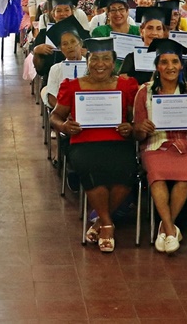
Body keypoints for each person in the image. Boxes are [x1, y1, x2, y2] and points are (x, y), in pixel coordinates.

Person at [49, 37, 139, 253]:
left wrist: (130, 127)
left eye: (106, 59)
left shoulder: (127, 85)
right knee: (90, 167)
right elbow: (55, 116)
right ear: (87, 61)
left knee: (127, 170)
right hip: (84, 142)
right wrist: (65, 127)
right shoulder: (72, 86)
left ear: (114, 62)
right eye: (95, 59)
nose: (100, 64)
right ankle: (107, 225)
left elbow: (134, 118)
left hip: (118, 141)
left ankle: (99, 221)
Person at [132, 38, 187, 253]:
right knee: (157, 174)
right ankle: (171, 230)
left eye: (175, 62)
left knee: (185, 176)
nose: (170, 67)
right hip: (155, 144)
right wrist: (141, 128)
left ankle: (165, 228)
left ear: (181, 65)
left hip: (185, 144)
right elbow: (136, 132)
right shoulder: (144, 91)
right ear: (157, 66)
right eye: (164, 62)